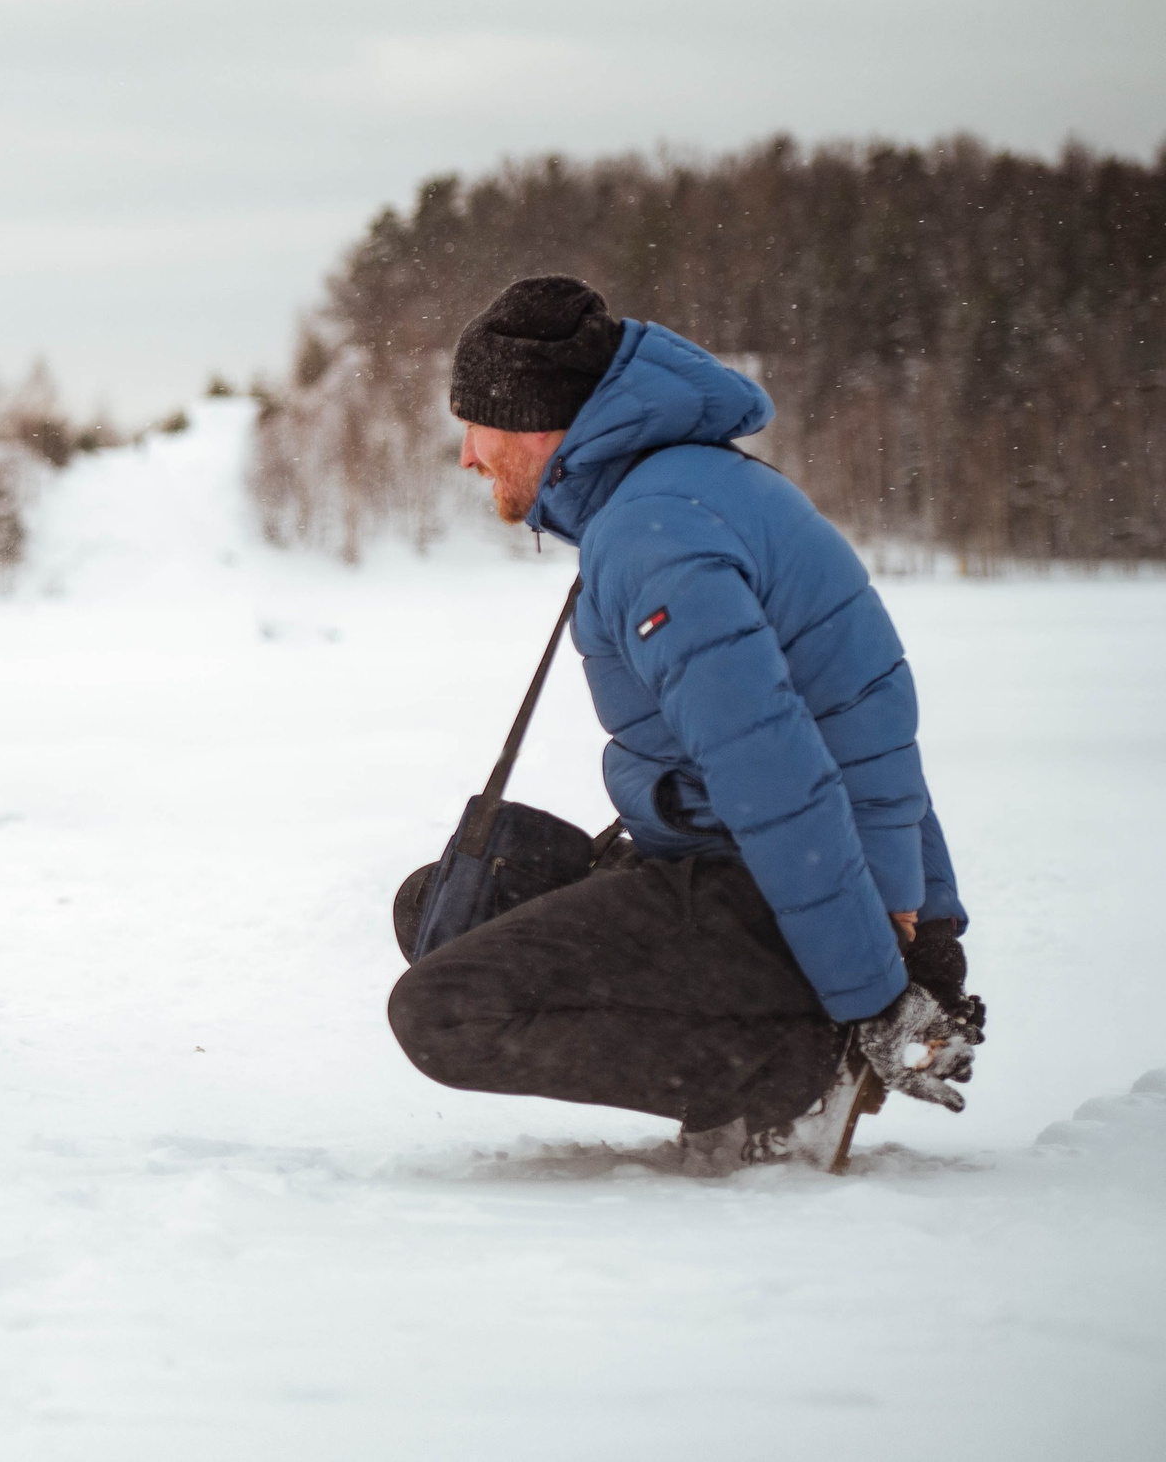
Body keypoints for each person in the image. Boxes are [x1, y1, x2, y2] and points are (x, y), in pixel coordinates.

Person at [386, 276, 986, 1171]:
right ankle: (781, 1044)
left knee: (442, 1011)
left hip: (771, 888)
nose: (469, 455)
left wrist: (877, 995)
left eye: (479, 425)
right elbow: (853, 721)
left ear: (540, 422)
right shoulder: (681, 492)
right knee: (445, 905)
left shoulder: (654, 531)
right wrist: (926, 929)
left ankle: (794, 1070)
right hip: (757, 869)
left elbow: (776, 775)